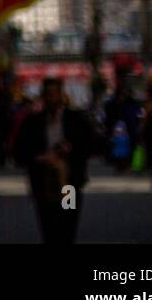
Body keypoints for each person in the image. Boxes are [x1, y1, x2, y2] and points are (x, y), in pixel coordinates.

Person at [13, 78, 93, 243]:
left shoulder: (75, 119)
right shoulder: (33, 122)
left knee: (67, 226)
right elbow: (19, 151)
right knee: (49, 229)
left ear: (62, 96)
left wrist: (71, 150)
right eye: (49, 95)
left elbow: (93, 144)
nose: (52, 99)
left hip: (69, 184)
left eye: (56, 95)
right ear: (43, 97)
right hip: (44, 185)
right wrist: (39, 158)